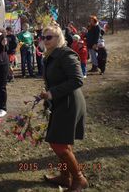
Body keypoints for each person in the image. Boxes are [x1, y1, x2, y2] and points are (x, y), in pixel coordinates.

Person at [39, 23, 88, 191]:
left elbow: (77, 80)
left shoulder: (66, 54)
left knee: (57, 143)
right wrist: (47, 95)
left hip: (70, 103)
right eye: (43, 37)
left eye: (49, 37)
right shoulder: (51, 55)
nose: (45, 40)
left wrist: (52, 93)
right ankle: (65, 177)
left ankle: (79, 179)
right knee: (64, 142)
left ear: (59, 38)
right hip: (61, 102)